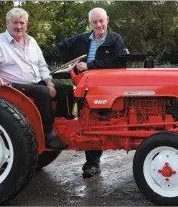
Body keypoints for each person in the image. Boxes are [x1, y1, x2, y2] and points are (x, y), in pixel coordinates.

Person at [0, 7, 73, 150]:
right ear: (7, 23)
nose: (19, 27)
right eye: (15, 23)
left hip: (36, 83)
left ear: (26, 24)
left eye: (22, 23)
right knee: (42, 92)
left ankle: (63, 127)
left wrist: (50, 83)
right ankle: (48, 134)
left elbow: (42, 66)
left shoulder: (32, 41)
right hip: (12, 87)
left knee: (66, 89)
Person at [57, 7, 126, 178]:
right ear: (90, 23)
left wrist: (90, 66)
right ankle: (92, 163)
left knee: (101, 121)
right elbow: (61, 47)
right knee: (88, 122)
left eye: (101, 21)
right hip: (85, 87)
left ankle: (101, 156)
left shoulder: (115, 39)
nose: (99, 25)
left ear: (107, 20)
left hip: (106, 88)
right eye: (95, 22)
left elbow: (118, 62)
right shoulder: (83, 39)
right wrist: (72, 64)